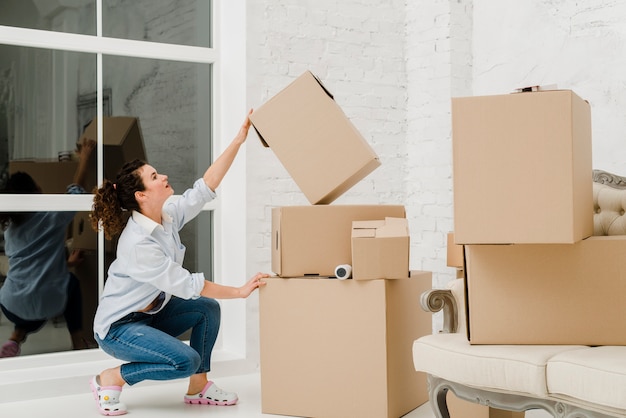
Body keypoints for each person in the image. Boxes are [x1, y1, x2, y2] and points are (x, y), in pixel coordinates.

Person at [88, 110, 268, 416]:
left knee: (206, 309)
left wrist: (239, 139)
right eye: (155, 177)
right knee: (185, 360)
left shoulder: (167, 214)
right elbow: (187, 285)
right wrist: (239, 291)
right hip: (118, 329)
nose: (164, 177)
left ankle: (199, 387)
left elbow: (205, 188)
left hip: (148, 317)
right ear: (142, 195)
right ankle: (112, 378)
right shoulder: (138, 243)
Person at [0, 138, 96, 357]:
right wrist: (85, 159)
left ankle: (14, 339)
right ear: (36, 191)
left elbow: (33, 261)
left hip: (10, 306)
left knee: (29, 297)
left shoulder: (11, 229)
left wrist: (66, 263)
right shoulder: (52, 216)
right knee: (70, 284)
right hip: (46, 306)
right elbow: (76, 193)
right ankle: (77, 340)